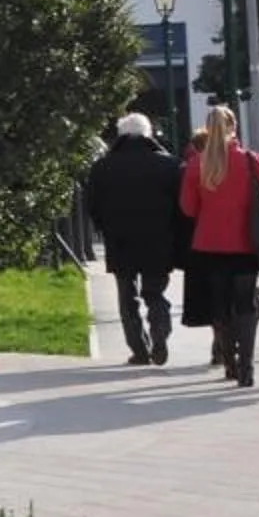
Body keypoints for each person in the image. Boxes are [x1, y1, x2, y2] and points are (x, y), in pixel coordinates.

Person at [179, 104, 259, 388]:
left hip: (208, 244)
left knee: (219, 307)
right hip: (246, 244)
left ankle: (230, 363)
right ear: (235, 127)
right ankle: (247, 368)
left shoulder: (198, 164)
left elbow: (187, 208)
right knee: (246, 305)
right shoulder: (251, 160)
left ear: (207, 129)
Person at [87, 113, 188, 366]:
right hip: (159, 240)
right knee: (155, 292)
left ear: (121, 135)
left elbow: (93, 206)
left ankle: (139, 349)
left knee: (127, 296)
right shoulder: (170, 165)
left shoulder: (103, 167)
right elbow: (181, 206)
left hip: (120, 240)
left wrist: (105, 228)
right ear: (148, 134)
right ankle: (160, 334)